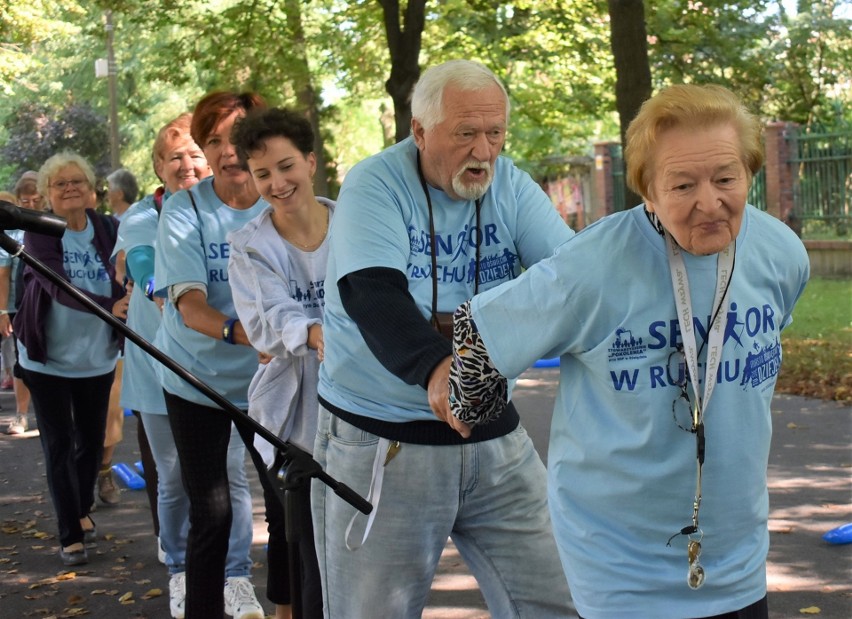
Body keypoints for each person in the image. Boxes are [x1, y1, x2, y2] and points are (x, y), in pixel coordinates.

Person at [447, 84, 810, 619]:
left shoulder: (782, 253)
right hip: (621, 567)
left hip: (738, 556)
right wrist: (468, 407)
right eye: (682, 184)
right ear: (647, 191)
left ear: (750, 173)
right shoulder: (592, 264)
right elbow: (478, 331)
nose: (709, 203)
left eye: (726, 178)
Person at [313, 59, 575, 618]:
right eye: (465, 133)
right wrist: (437, 368)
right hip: (383, 440)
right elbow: (372, 294)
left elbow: (571, 278)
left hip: (492, 434)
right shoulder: (375, 184)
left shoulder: (511, 185)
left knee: (563, 600)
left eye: (495, 132)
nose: (484, 151)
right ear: (420, 131)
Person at [153, 91, 267, 619]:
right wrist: (249, 333)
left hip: (271, 383)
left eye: (236, 136)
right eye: (213, 141)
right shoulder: (184, 209)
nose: (227, 152)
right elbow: (191, 307)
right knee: (213, 512)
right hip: (196, 380)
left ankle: (288, 606)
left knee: (293, 510)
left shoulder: (282, 199)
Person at [228, 108, 331, 619]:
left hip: (371, 412)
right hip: (295, 423)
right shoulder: (249, 247)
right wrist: (315, 332)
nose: (277, 182)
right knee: (310, 555)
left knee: (367, 547)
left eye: (286, 167)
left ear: (311, 163)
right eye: (262, 173)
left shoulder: (358, 225)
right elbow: (267, 324)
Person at [111, 112, 212, 618]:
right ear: (157, 165)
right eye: (176, 157)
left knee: (225, 480)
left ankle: (230, 574)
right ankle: (178, 566)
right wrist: (163, 295)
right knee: (172, 475)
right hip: (159, 367)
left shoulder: (231, 210)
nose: (188, 164)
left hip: (218, 369)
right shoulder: (141, 217)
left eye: (196, 153)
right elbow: (144, 265)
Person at [14, 152, 130, 567]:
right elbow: (57, 285)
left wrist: (130, 293)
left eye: (77, 181)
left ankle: (81, 508)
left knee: (91, 441)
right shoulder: (39, 231)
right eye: (60, 184)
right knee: (59, 443)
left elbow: (127, 268)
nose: (69, 189)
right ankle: (69, 532)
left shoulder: (107, 227)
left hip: (96, 356)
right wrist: (111, 305)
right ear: (47, 193)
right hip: (47, 358)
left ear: (92, 189)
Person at [97, 168, 140, 506]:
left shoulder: (137, 220)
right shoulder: (101, 224)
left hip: (125, 331)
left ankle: (104, 471)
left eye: (106, 187)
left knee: (112, 411)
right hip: (95, 325)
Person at [0, 172, 43, 434]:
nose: (30, 205)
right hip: (19, 307)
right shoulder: (12, 233)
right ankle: (21, 415)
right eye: (25, 201)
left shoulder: (54, 226)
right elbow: (3, 275)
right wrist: (3, 310)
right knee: (20, 360)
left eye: (36, 199)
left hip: (51, 305)